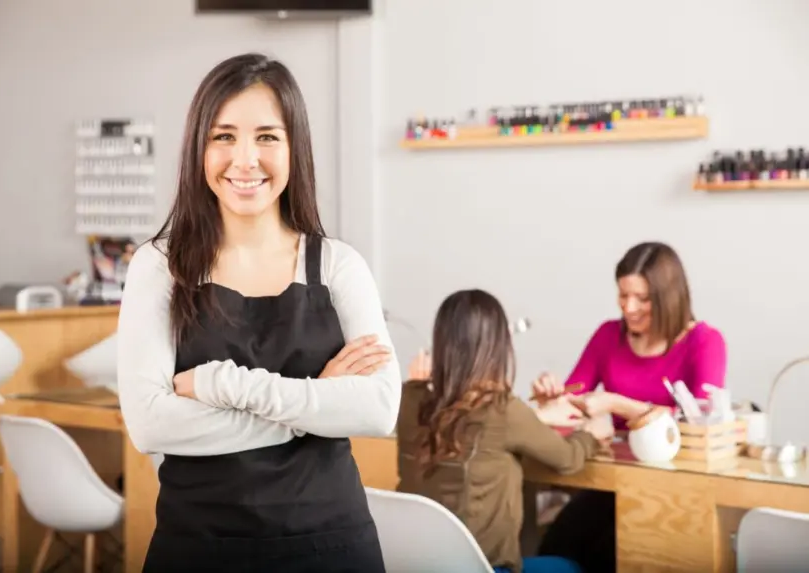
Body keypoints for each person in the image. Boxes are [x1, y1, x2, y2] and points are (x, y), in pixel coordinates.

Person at [116, 53, 402, 573]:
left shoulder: (337, 265)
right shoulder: (159, 266)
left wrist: (221, 384)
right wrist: (311, 412)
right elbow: (151, 425)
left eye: (267, 136)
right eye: (223, 136)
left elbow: (378, 410)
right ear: (197, 148)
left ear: (295, 149)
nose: (245, 158)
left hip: (330, 543)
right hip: (198, 545)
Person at [532, 241, 728, 572]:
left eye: (642, 298)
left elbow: (697, 420)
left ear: (669, 297)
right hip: (612, 482)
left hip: (675, 489)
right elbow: (575, 396)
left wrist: (616, 404)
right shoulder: (609, 335)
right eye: (623, 295)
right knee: (560, 544)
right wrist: (551, 397)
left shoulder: (705, 343)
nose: (629, 307)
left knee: (614, 551)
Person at [396, 289, 613, 573]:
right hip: (484, 566)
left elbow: (470, 425)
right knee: (570, 567)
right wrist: (591, 434)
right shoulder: (502, 409)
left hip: (417, 563)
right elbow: (568, 458)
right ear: (496, 347)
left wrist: (537, 415)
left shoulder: (408, 399)